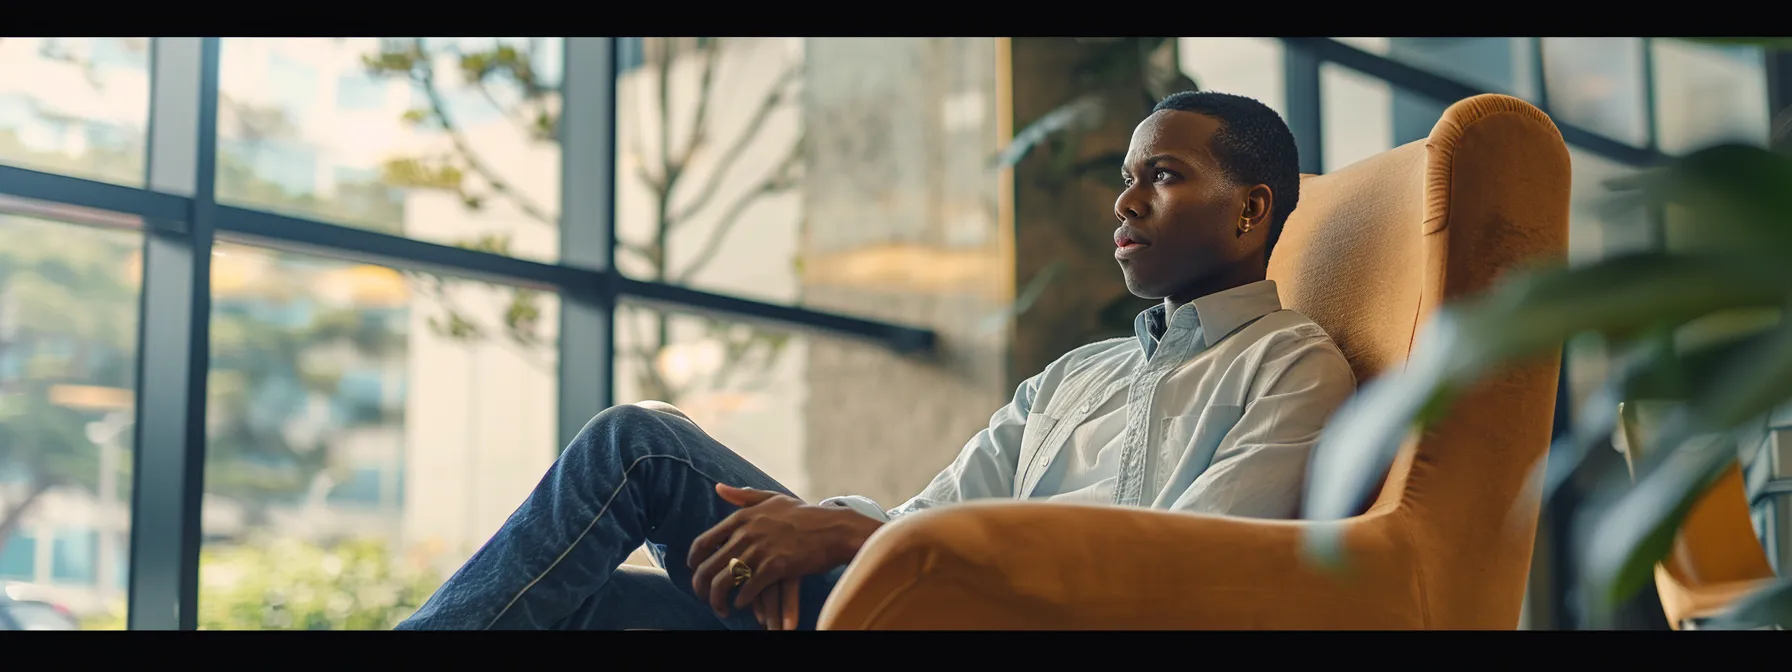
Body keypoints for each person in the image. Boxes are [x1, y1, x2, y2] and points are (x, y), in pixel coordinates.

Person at [395, 90, 1356, 631]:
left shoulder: (1290, 365)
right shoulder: (1073, 377)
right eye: (1125, 179)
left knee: (641, 447)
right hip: (892, 602)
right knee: (581, 608)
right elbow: (925, 517)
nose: (1125, 204)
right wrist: (818, 530)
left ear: (1250, 208)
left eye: (1164, 176)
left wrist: (853, 540)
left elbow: (1191, 571)